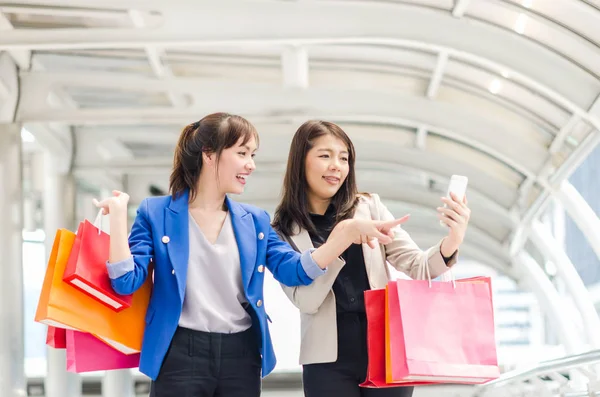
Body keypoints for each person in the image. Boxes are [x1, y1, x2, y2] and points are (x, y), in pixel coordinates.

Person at [93, 113, 407, 397]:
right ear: (210, 156)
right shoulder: (156, 212)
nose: (251, 165)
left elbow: (293, 271)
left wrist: (340, 237)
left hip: (241, 355)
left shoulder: (254, 221)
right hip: (179, 352)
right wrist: (119, 218)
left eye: (252, 155)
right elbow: (125, 282)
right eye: (242, 153)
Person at [272, 120, 471, 397]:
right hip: (326, 361)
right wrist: (340, 239)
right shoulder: (282, 230)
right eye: (325, 155)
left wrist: (454, 239)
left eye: (344, 158)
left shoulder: (369, 207)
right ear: (300, 162)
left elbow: (420, 267)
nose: (336, 166)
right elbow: (306, 300)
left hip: (386, 351)